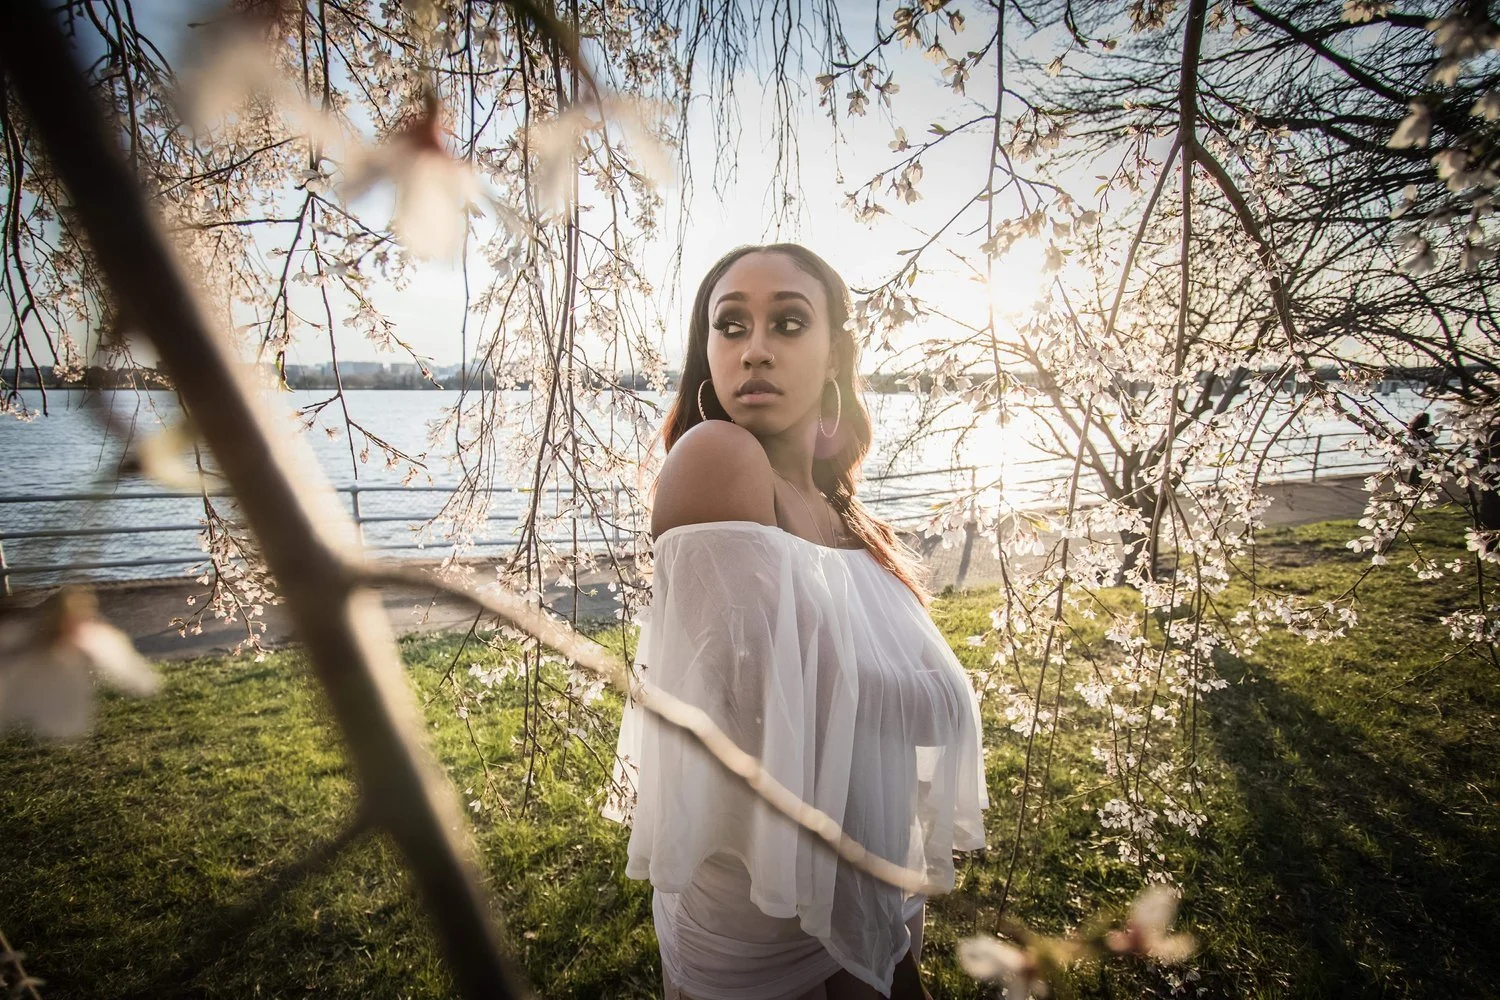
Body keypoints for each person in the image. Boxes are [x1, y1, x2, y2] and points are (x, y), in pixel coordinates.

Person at [603, 244, 989, 1000]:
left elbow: (851, 700)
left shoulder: (846, 515)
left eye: (787, 323)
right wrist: (931, 695)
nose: (754, 350)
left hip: (867, 864)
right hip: (766, 899)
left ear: (836, 353)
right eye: (730, 326)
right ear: (708, 350)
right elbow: (778, 710)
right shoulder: (717, 457)